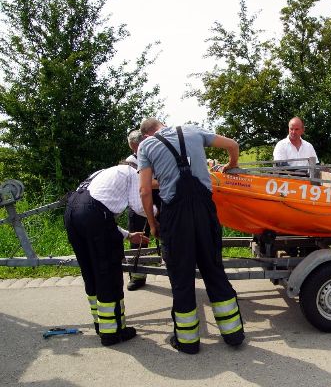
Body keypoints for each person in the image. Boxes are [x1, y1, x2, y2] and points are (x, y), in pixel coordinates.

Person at [138, 117, 244, 354]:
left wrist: (154, 224)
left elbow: (145, 190)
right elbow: (233, 144)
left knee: (182, 278)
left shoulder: (146, 146)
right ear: (163, 124)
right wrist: (230, 164)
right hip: (205, 212)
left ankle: (188, 342)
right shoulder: (193, 131)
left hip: (175, 219)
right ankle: (234, 334)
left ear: (146, 135)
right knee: (214, 271)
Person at [63, 164, 150, 346]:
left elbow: (96, 214)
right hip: (92, 215)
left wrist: (128, 235)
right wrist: (157, 218)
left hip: (72, 213)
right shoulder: (133, 173)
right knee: (108, 272)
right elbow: (139, 207)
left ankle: (100, 324)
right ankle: (113, 332)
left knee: (91, 272)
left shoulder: (101, 174)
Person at [125, 129, 151, 291]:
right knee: (138, 240)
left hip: (160, 202)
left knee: (169, 236)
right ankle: (137, 276)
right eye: (134, 147)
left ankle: (174, 270)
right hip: (138, 205)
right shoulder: (130, 162)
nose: (137, 150)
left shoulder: (156, 154)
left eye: (139, 147)